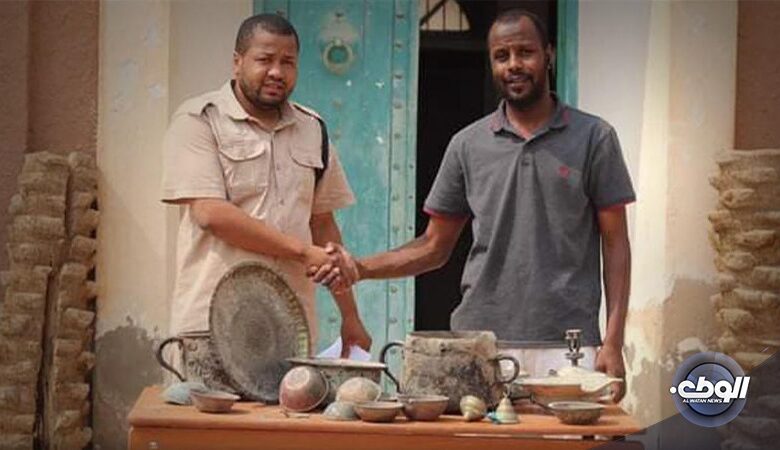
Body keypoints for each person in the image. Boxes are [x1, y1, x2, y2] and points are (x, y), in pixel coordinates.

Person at [315, 9, 633, 400]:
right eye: (502, 56)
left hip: (569, 346)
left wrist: (613, 341)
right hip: (481, 346)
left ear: (548, 54)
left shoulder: (594, 138)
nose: (513, 65)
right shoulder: (467, 145)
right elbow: (434, 247)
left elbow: (616, 244)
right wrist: (360, 268)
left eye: (525, 52)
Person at [161, 13, 371, 356]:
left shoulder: (312, 128)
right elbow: (210, 214)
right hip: (212, 327)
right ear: (237, 62)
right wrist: (302, 252)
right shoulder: (200, 121)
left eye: (288, 62)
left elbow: (322, 225)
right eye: (264, 59)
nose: (277, 72)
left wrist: (350, 316)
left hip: (289, 328)